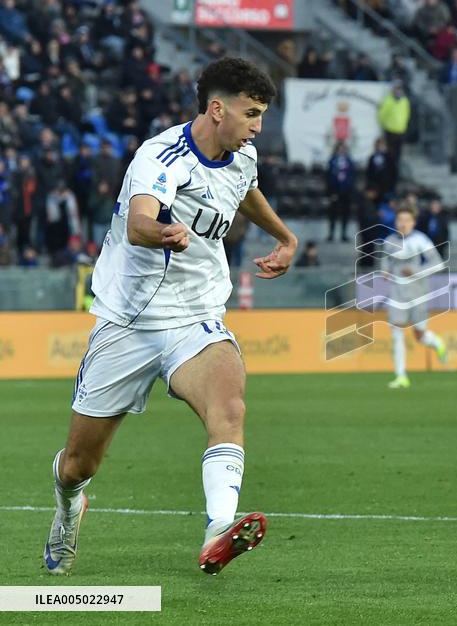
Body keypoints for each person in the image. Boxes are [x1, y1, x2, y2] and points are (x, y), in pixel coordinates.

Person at [43, 57, 298, 577]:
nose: (257, 126)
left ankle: (218, 530)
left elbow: (242, 191)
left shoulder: (242, 156)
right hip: (129, 321)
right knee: (78, 465)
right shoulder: (159, 156)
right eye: (251, 113)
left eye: (262, 115)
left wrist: (284, 235)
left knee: (229, 407)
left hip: (197, 314)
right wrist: (165, 232)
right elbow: (139, 222)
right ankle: (70, 506)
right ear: (216, 108)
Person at [382, 206, 448, 389]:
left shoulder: (420, 240)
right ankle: (401, 376)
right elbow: (385, 259)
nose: (402, 223)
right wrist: (385, 270)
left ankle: (436, 342)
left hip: (418, 292)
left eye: (406, 220)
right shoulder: (389, 241)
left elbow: (437, 264)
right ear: (396, 222)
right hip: (397, 293)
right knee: (397, 333)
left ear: (413, 222)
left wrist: (416, 271)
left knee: (419, 335)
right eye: (400, 220)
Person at [326, 141, 355, 242]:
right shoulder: (332, 161)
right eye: (339, 148)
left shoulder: (349, 161)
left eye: (343, 148)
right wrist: (330, 192)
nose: (341, 150)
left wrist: (351, 190)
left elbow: (352, 177)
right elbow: (328, 177)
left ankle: (344, 234)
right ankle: (331, 234)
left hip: (346, 191)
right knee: (333, 213)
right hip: (335, 191)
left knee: (345, 213)